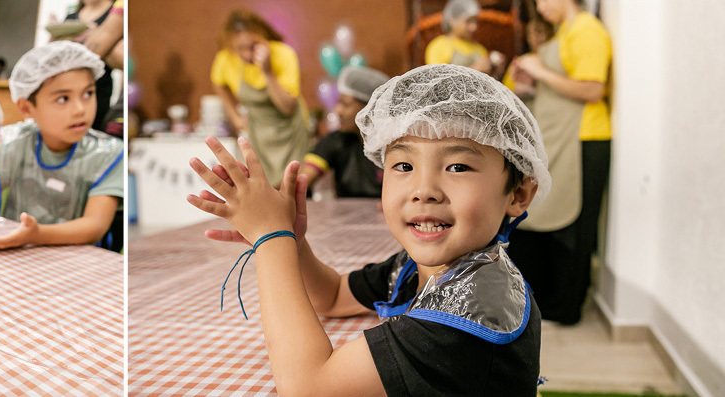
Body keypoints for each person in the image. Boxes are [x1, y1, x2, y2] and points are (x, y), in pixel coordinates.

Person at [188, 64, 546, 395]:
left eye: (457, 167)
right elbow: (332, 295)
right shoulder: (422, 268)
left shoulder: (470, 314)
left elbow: (308, 388)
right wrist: (293, 242)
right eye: (403, 165)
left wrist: (271, 238)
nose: (424, 190)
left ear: (518, 194)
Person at [0, 42, 124, 252]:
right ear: (27, 107)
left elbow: (95, 225)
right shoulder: (14, 141)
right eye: (63, 98)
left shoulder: (107, 154)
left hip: (77, 260)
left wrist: (37, 235)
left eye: (88, 93)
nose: (80, 109)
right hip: (16, 252)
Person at [509, 0, 612, 325]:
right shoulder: (565, 32)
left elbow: (592, 89)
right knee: (541, 219)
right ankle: (547, 300)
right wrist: (530, 84)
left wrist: (540, 71)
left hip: (582, 138)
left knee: (573, 224)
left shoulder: (587, 31)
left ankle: (567, 306)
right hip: (559, 138)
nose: (540, 8)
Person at [210, 8, 310, 185]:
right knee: (258, 184)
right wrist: (234, 115)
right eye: (241, 49)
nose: (248, 54)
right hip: (257, 133)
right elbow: (218, 83)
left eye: (253, 46)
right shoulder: (226, 58)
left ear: (263, 36)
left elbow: (288, 108)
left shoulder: (284, 54)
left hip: (290, 134)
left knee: (291, 185)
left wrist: (267, 71)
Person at [300, 66, 389, 198]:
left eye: (346, 105)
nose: (337, 111)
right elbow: (302, 182)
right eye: (338, 103)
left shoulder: (392, 145)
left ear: (370, 108)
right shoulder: (337, 141)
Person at [65, 0, 121, 132]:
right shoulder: (71, 16)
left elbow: (122, 60)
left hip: (98, 85)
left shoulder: (116, 10)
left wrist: (96, 38)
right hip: (68, 83)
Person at [425, 0, 504, 76]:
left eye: (475, 21)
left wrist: (495, 72)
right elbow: (437, 79)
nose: (474, 27)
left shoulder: (480, 50)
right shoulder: (439, 46)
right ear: (452, 20)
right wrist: (475, 69)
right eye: (468, 21)